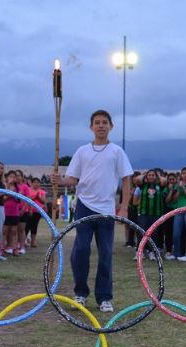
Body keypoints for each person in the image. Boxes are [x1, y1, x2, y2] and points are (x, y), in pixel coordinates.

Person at [53, 109, 133, 313]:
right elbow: (72, 178)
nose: (101, 125)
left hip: (106, 209)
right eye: (97, 122)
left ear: (111, 126)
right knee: (80, 251)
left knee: (105, 253)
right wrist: (60, 180)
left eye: (105, 122)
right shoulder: (82, 151)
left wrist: (123, 207)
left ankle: (104, 297)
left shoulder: (117, 151)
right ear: (91, 126)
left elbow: (126, 180)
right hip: (84, 206)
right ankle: (80, 293)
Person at [168, 167, 186, 262]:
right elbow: (174, 199)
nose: (185, 175)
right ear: (181, 174)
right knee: (176, 233)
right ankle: (176, 254)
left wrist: (184, 189)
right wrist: (179, 190)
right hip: (178, 210)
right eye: (183, 173)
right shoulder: (177, 185)